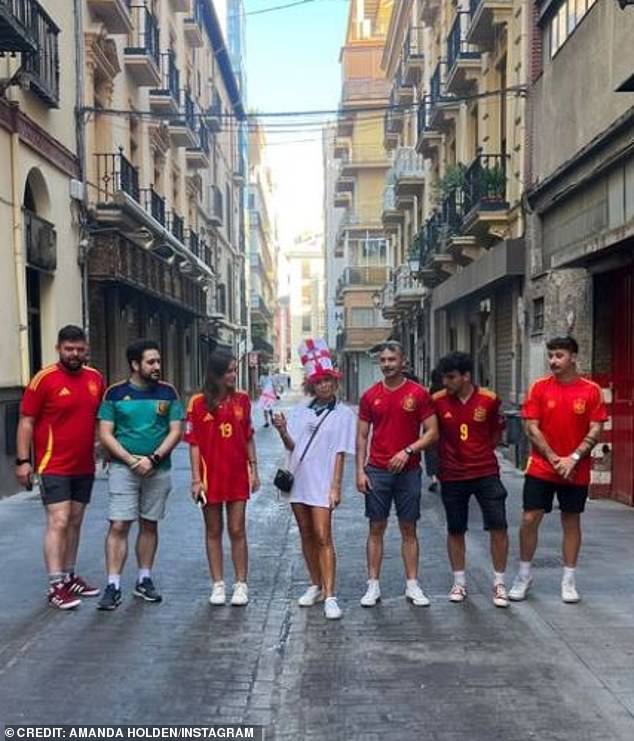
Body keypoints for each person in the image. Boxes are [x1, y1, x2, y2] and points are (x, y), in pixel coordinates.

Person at [509, 336, 607, 604]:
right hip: (543, 465)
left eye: (559, 355)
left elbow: (596, 428)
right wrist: (554, 458)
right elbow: (531, 426)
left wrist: (573, 458)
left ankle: (568, 580)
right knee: (529, 518)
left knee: (571, 520)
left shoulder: (591, 390)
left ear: (573, 357)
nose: (553, 360)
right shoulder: (539, 388)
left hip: (575, 468)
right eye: (551, 355)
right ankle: (524, 574)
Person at [16, 325, 105, 610]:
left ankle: (69, 575)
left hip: (84, 464)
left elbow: (98, 418)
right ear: (59, 349)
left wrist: (101, 446)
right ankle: (55, 585)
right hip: (52, 463)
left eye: (79, 349)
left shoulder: (95, 378)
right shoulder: (44, 379)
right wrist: (23, 461)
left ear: (86, 349)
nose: (74, 354)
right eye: (69, 349)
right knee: (59, 519)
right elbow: (27, 421)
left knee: (76, 519)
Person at [96, 339, 184, 611]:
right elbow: (106, 433)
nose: (157, 366)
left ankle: (144, 578)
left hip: (158, 470)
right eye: (151, 362)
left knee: (149, 524)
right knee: (119, 524)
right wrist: (132, 461)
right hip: (124, 469)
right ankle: (113, 585)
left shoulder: (168, 393)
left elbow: (175, 430)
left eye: (158, 361)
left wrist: (154, 458)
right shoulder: (115, 393)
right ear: (135, 364)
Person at [272, 340, 355, 620]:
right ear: (312, 385)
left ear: (335, 383)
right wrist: (283, 430)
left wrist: (335, 487)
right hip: (299, 480)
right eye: (319, 382)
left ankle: (331, 595)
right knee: (306, 533)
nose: (324, 387)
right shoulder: (300, 411)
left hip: (323, 482)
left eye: (328, 381)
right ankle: (316, 585)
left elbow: (341, 453)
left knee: (323, 535)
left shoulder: (343, 414)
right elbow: (292, 446)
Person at [356, 341, 439, 607]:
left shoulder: (419, 393)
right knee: (376, 527)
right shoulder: (370, 396)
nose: (387, 365)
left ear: (402, 361)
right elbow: (361, 436)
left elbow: (432, 432)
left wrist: (408, 451)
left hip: (409, 471)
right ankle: (373, 586)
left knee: (408, 527)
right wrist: (360, 471)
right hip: (377, 471)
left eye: (392, 359)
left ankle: (412, 585)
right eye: (383, 360)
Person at [433, 352, 509, 608]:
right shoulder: (437, 401)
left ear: (466, 376)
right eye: (444, 377)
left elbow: (496, 434)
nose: (447, 382)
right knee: (456, 528)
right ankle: (459, 581)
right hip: (453, 474)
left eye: (452, 377)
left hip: (485, 472)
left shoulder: (488, 400)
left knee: (498, 526)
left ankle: (499, 582)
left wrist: (480, 453)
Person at [185, 349, 260, 607]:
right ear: (216, 374)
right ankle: (218, 583)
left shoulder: (242, 400)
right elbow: (193, 444)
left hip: (237, 473)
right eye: (228, 371)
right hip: (210, 475)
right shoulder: (197, 403)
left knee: (237, 529)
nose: (233, 375)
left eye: (234, 370)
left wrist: (254, 469)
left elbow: (248, 435)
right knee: (213, 530)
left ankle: (241, 583)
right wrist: (196, 479)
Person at [425, 368, 443, 493]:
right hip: (446, 425)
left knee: (431, 452)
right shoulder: (449, 391)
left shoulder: (430, 392)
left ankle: (434, 479)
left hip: (430, 424)